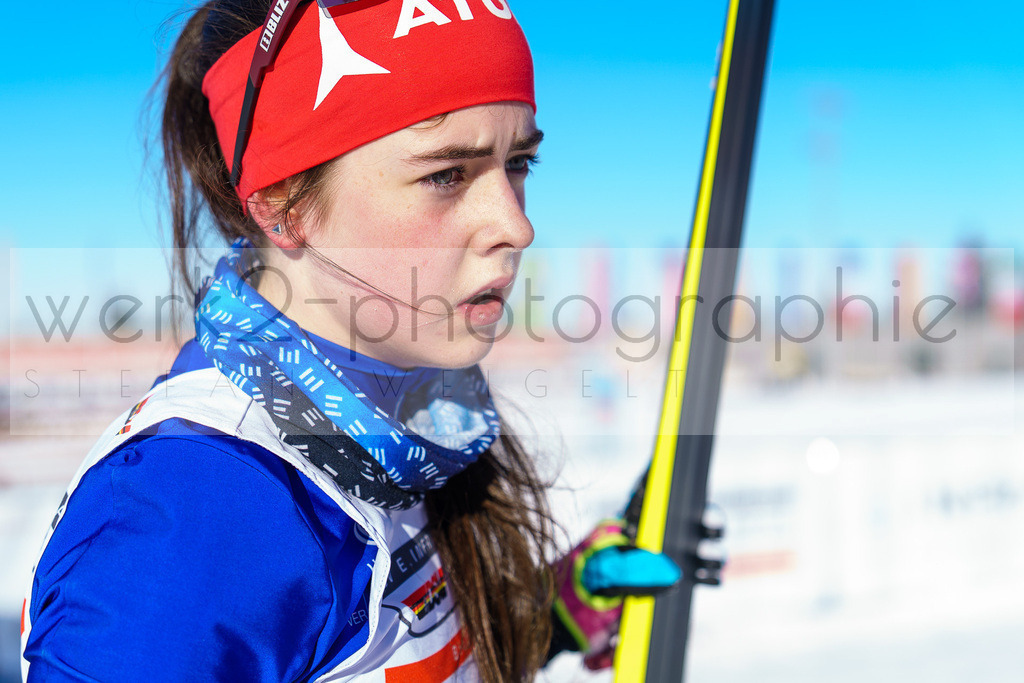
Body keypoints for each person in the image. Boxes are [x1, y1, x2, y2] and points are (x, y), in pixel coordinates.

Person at [21, 1, 679, 680]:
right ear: (282, 205)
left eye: (518, 164)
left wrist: (554, 608)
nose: (515, 224)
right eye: (446, 174)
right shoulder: (189, 510)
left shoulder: (413, 416)